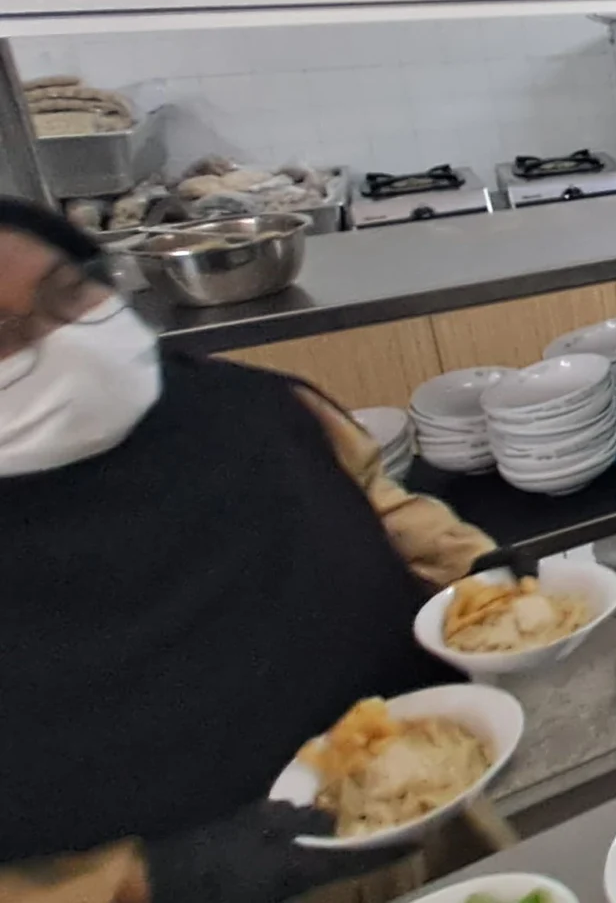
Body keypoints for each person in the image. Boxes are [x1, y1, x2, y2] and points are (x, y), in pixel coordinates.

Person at [0, 200, 497, 903]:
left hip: (427, 822)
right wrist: (157, 878)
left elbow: (373, 498)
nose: (62, 340)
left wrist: (478, 575)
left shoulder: (244, 408)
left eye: (68, 291)